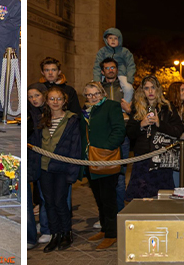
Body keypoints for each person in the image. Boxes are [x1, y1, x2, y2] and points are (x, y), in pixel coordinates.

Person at [31, 86, 85, 253]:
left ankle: (66, 232)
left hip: (62, 167)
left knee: (60, 201)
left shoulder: (72, 120)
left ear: (64, 101)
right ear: (47, 101)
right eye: (52, 99)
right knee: (49, 202)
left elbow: (76, 147)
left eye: (58, 99)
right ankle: (55, 234)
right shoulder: (43, 119)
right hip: (45, 167)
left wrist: (73, 170)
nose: (55, 102)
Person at [125, 75, 184, 201]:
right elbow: (129, 133)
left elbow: (177, 130)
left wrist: (159, 123)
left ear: (158, 89)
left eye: (153, 87)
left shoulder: (167, 107)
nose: (150, 91)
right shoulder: (137, 107)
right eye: (147, 88)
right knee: (141, 196)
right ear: (142, 90)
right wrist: (141, 124)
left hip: (162, 159)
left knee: (163, 197)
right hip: (143, 158)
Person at [83, 82, 126, 250]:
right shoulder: (86, 110)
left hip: (106, 159)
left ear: (102, 94)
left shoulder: (112, 106)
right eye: (89, 94)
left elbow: (119, 130)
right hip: (89, 160)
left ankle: (112, 234)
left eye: (96, 94)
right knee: (99, 198)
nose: (92, 97)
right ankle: (104, 228)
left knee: (108, 199)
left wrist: (106, 149)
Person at [26, 86, 47, 247]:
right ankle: (29, 236)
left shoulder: (49, 111)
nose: (34, 99)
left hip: (46, 159)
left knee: (45, 197)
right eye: (30, 96)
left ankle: (47, 229)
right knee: (29, 200)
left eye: (37, 95)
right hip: (31, 158)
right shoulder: (29, 113)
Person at [91, 28, 136, 103]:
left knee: (129, 88)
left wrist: (130, 78)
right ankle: (96, 105)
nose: (113, 40)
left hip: (121, 74)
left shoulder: (124, 51)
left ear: (119, 40)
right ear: (106, 40)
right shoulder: (102, 51)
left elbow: (131, 65)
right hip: (104, 75)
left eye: (115, 38)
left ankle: (124, 105)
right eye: (110, 38)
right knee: (93, 88)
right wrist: (96, 79)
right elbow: (97, 66)